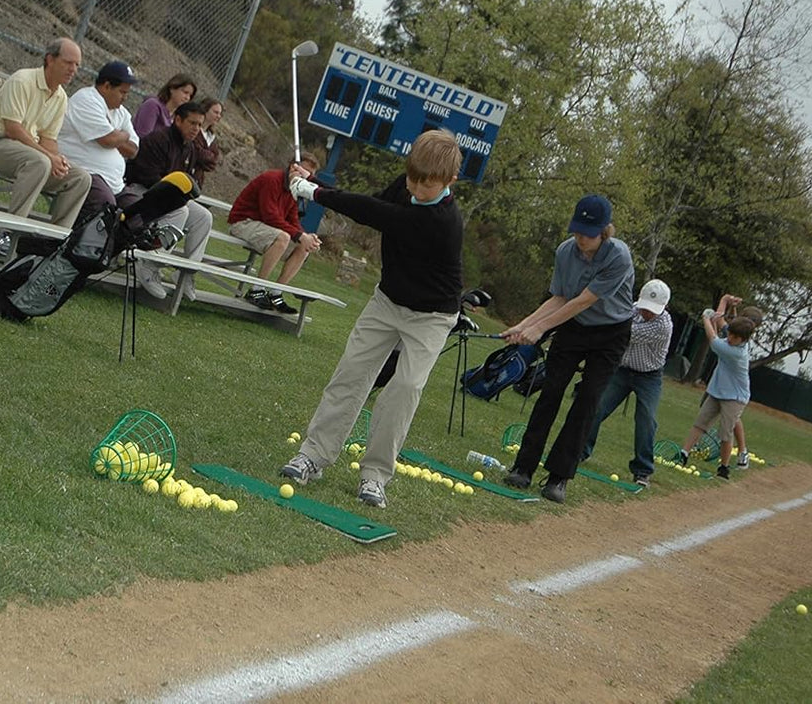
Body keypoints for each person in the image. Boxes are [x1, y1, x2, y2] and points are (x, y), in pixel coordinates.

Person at [279, 130, 464, 509]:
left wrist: (311, 190)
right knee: (351, 373)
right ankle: (314, 454)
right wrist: (312, 184)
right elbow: (371, 204)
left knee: (405, 388)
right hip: (387, 301)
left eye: (426, 185)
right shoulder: (410, 185)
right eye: (411, 179)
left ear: (449, 182)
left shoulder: (443, 222)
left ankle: (375, 475)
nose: (415, 189)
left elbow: (377, 214)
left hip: (432, 315)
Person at [500, 194, 635, 504]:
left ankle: (559, 477)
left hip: (611, 333)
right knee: (550, 391)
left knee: (587, 400)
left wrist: (541, 328)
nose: (581, 239)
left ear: (604, 230)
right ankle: (523, 466)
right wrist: (523, 326)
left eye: (588, 233)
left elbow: (583, 300)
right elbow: (559, 297)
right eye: (577, 231)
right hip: (575, 328)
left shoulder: (619, 256)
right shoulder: (565, 252)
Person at [0, 37, 92, 254]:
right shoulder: (23, 80)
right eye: (68, 62)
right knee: (39, 162)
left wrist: (58, 160)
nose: (73, 69)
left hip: (27, 152)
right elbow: (13, 129)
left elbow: (49, 140)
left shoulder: (61, 97)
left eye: (77, 65)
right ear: (50, 59)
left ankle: (53, 243)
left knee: (81, 178)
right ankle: (7, 233)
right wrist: (48, 157)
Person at [580, 278, 674, 487]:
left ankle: (642, 470)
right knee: (596, 407)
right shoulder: (632, 310)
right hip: (621, 370)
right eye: (645, 308)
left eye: (653, 310)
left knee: (646, 419)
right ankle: (580, 451)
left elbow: (622, 332)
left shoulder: (664, 326)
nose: (647, 313)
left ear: (665, 307)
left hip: (649, 376)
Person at [122, 101, 213, 299]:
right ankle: (149, 265)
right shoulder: (158, 139)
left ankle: (186, 273)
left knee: (204, 217)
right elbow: (146, 176)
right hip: (140, 191)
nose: (196, 129)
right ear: (178, 120)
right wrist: (175, 195)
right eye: (192, 123)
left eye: (199, 124)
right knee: (181, 210)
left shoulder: (189, 148)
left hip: (167, 195)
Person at [227, 157, 322, 313]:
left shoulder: (294, 189)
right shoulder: (272, 179)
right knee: (283, 237)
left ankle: (276, 292)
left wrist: (306, 237)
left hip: (264, 226)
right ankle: (256, 289)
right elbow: (270, 216)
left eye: (310, 174)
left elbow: (292, 219)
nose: (306, 177)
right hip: (243, 222)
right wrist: (300, 235)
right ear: (292, 167)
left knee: (303, 246)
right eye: (304, 171)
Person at [675, 308, 757, 480]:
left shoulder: (736, 352)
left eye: (734, 337)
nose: (730, 338)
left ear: (743, 340)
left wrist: (706, 317)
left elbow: (712, 339)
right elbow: (721, 324)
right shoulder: (733, 338)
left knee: (725, 433)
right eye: (730, 335)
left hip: (735, 397)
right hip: (717, 390)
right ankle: (683, 453)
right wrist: (724, 304)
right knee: (700, 423)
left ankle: (724, 467)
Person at [56, 60, 140, 222]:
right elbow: (108, 140)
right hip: (83, 173)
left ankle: (109, 248)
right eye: (122, 92)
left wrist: (115, 136)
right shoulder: (87, 99)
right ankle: (64, 245)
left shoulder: (121, 112)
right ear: (107, 86)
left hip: (115, 184)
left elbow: (133, 151)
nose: (125, 98)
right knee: (105, 207)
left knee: (137, 212)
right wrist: (121, 135)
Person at [132, 72, 197, 139]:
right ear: (172, 89)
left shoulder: (177, 117)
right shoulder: (153, 105)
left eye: (190, 96)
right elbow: (143, 136)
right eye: (185, 92)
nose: (187, 98)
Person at [191, 97, 223, 186]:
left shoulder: (211, 137)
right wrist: (206, 157)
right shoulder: (193, 130)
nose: (218, 116)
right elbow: (195, 152)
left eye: (220, 113)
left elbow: (214, 161)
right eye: (216, 112)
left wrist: (205, 157)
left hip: (197, 182)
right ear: (205, 110)